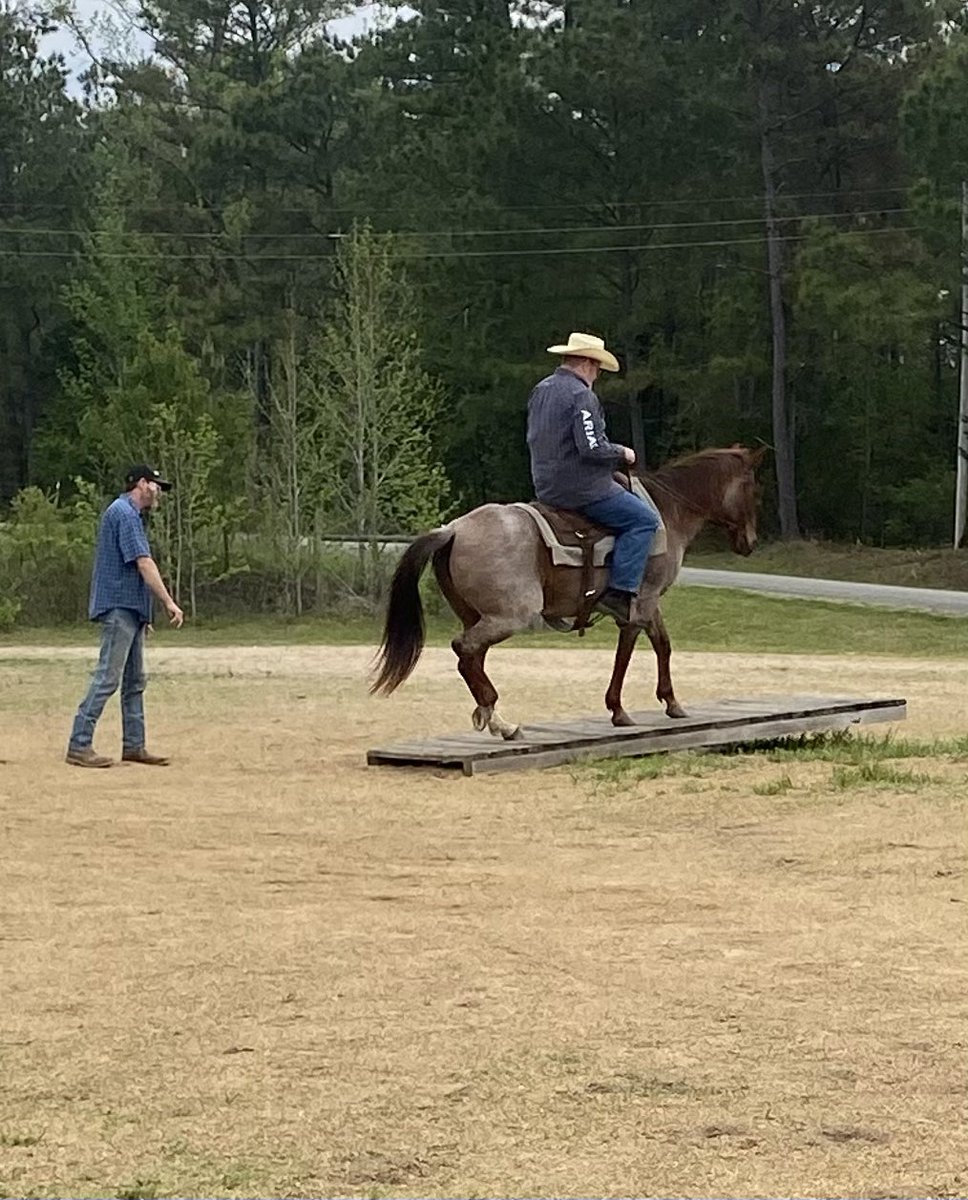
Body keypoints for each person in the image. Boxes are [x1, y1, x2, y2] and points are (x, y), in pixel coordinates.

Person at [526, 331, 661, 624]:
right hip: (582, 488)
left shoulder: (542, 389)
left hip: (545, 485)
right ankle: (620, 592)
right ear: (587, 363)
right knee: (643, 520)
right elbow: (592, 447)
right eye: (597, 367)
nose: (597, 374)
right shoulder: (581, 395)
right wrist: (622, 453)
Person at [65, 464, 185, 768]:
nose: (158, 491)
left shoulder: (131, 516)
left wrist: (143, 614)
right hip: (119, 608)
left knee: (134, 681)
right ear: (142, 484)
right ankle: (79, 744)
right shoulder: (124, 513)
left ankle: (134, 745)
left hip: (130, 610)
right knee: (108, 677)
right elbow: (144, 564)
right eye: (156, 485)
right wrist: (168, 602)